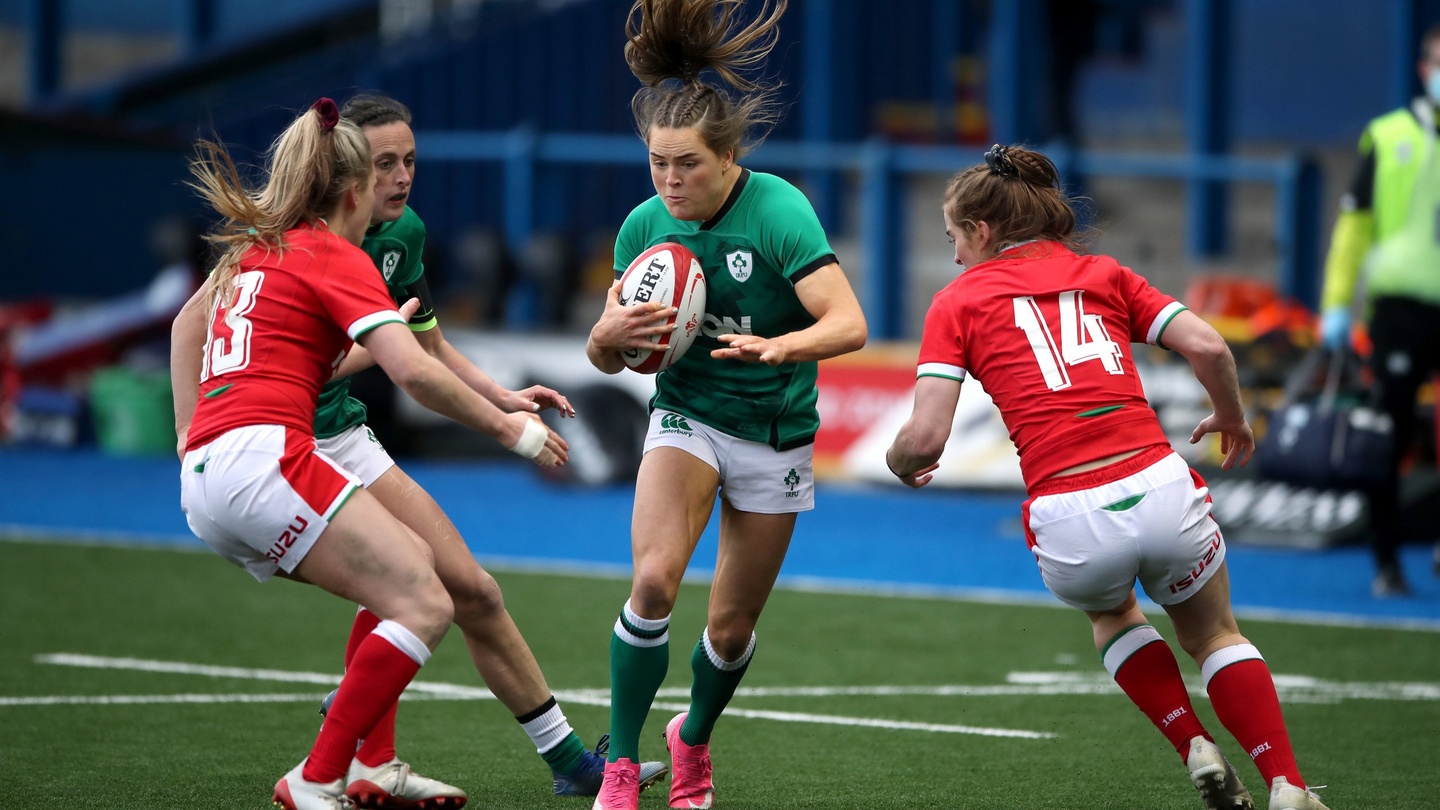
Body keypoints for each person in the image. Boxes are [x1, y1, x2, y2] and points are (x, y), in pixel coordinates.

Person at [172, 93, 666, 806]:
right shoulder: (326, 249)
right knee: (418, 598)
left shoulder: (327, 240)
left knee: (461, 591)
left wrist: (499, 396)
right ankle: (323, 773)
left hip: (285, 448)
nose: (400, 178)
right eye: (383, 165)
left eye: (410, 160)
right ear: (350, 177)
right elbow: (409, 369)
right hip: (278, 450)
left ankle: (552, 765)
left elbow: (423, 352)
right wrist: (508, 431)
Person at [884, 145, 1332, 810]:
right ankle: (1287, 785)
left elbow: (924, 439)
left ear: (981, 232)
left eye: (954, 238)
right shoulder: (1104, 272)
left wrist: (903, 464)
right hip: (1157, 480)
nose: (953, 255)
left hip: (1069, 509)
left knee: (1113, 613)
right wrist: (1232, 418)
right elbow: (1209, 345)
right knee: (1214, 635)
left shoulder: (957, 301)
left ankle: (1192, 744)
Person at [582, 2, 868, 808]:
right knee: (653, 583)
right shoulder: (644, 228)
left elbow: (850, 323)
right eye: (657, 165)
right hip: (687, 417)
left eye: (688, 166)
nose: (670, 183)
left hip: (775, 430)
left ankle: (693, 740)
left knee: (732, 629)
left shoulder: (777, 211)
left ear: (730, 155)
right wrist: (603, 334)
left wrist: (782, 346)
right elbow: (614, 358)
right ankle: (621, 765)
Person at [1318, 23, 1440, 597]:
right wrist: (1337, 303)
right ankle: (1386, 561)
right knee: (1387, 434)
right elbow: (1354, 228)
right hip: (1399, 309)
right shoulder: (1388, 136)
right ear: (1423, 68)